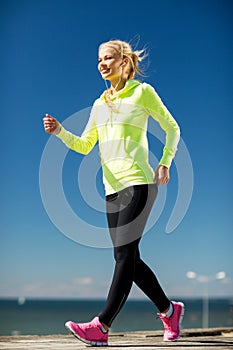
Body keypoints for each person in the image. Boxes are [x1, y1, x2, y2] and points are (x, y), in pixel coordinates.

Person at [43, 39, 184, 346]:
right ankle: (169, 310)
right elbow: (84, 145)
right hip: (111, 188)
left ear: (124, 61)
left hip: (139, 182)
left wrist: (165, 162)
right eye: (99, 60)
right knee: (128, 258)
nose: (102, 64)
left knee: (123, 255)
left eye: (108, 58)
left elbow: (172, 127)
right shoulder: (98, 104)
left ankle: (101, 326)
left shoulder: (142, 92)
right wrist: (59, 132)